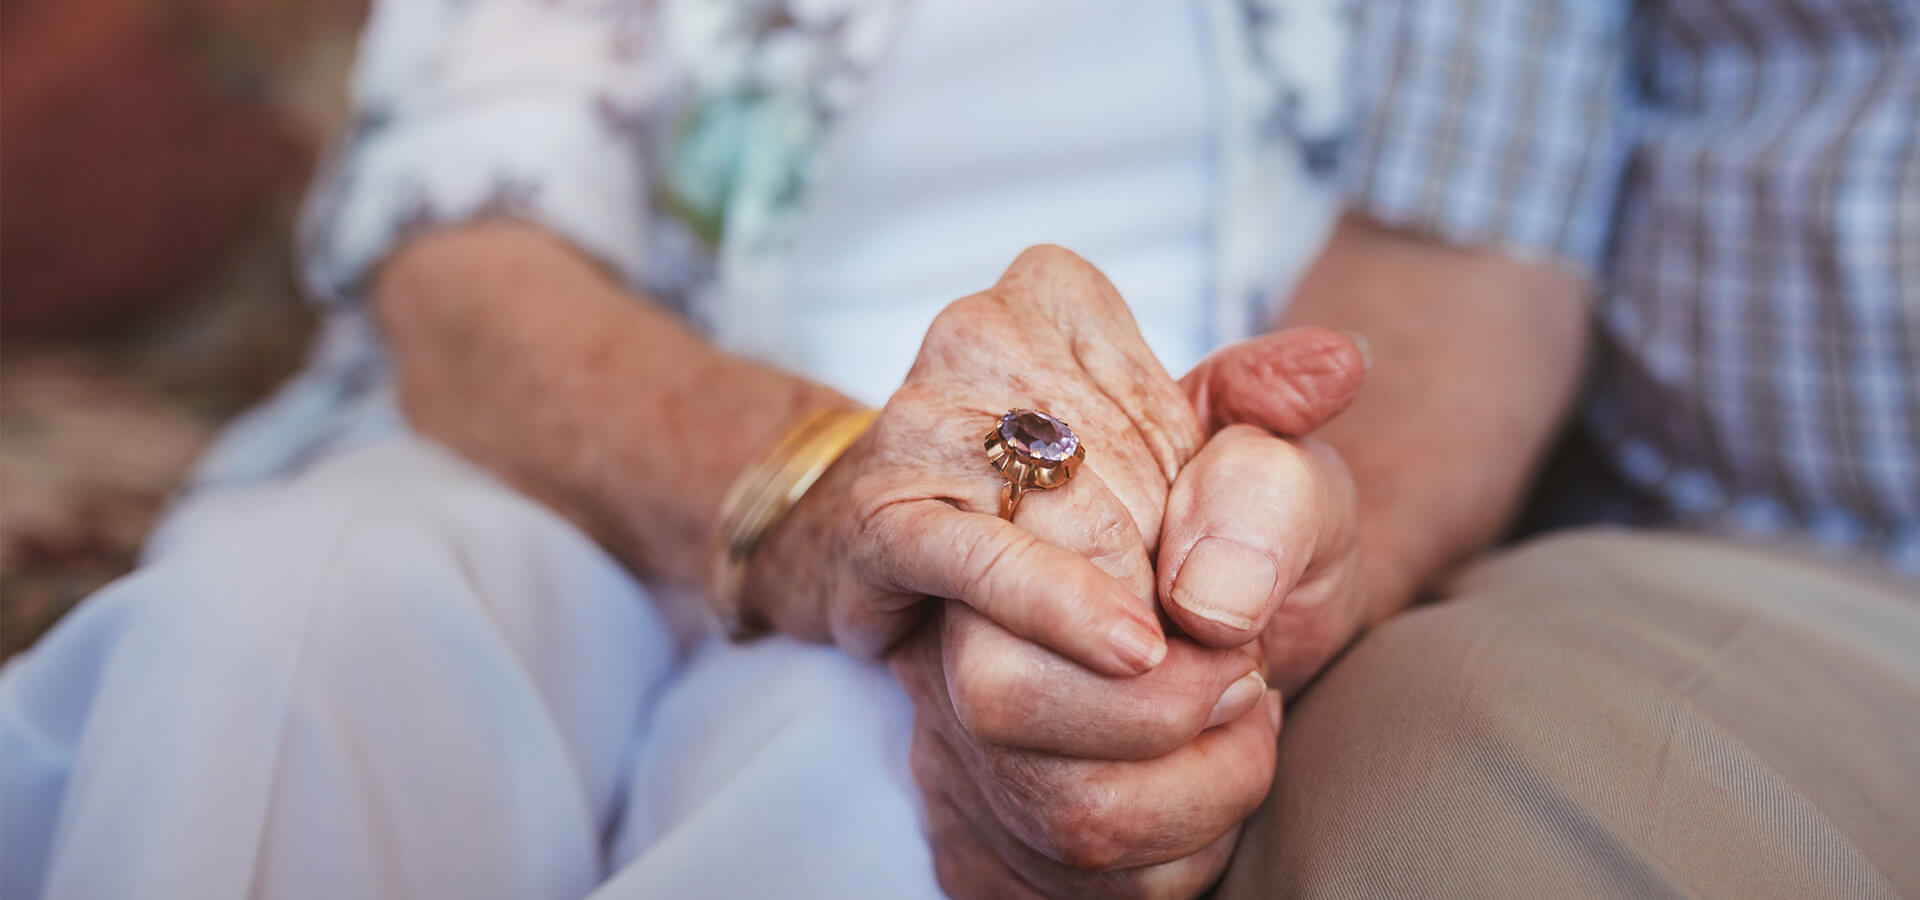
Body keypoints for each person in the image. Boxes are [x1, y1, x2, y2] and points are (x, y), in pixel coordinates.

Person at [3, 1, 1917, 899]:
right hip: (582, 454)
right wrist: (825, 489)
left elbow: (1450, 281)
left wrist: (1220, 552)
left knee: (880, 799)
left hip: (1081, 516)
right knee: (289, 627)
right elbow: (465, 253)